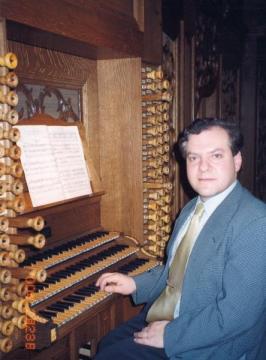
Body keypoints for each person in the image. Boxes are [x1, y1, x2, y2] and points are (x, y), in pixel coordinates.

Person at [94, 118, 266, 360]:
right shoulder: (192, 208)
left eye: (216, 156)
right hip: (178, 313)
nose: (203, 167)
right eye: (194, 158)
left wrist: (171, 334)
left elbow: (236, 317)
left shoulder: (256, 222)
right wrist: (135, 284)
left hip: (214, 342)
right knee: (108, 343)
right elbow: (177, 272)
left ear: (237, 161)